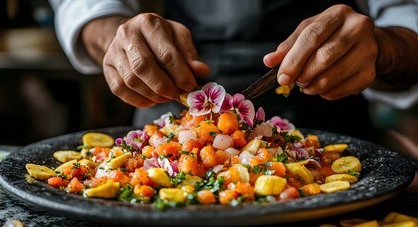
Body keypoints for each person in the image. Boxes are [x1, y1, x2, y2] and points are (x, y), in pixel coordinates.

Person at [48, 0, 418, 142]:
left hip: (332, 128)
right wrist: (116, 36)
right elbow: (85, 5)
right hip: (169, 118)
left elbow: (407, 21)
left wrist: (381, 48)